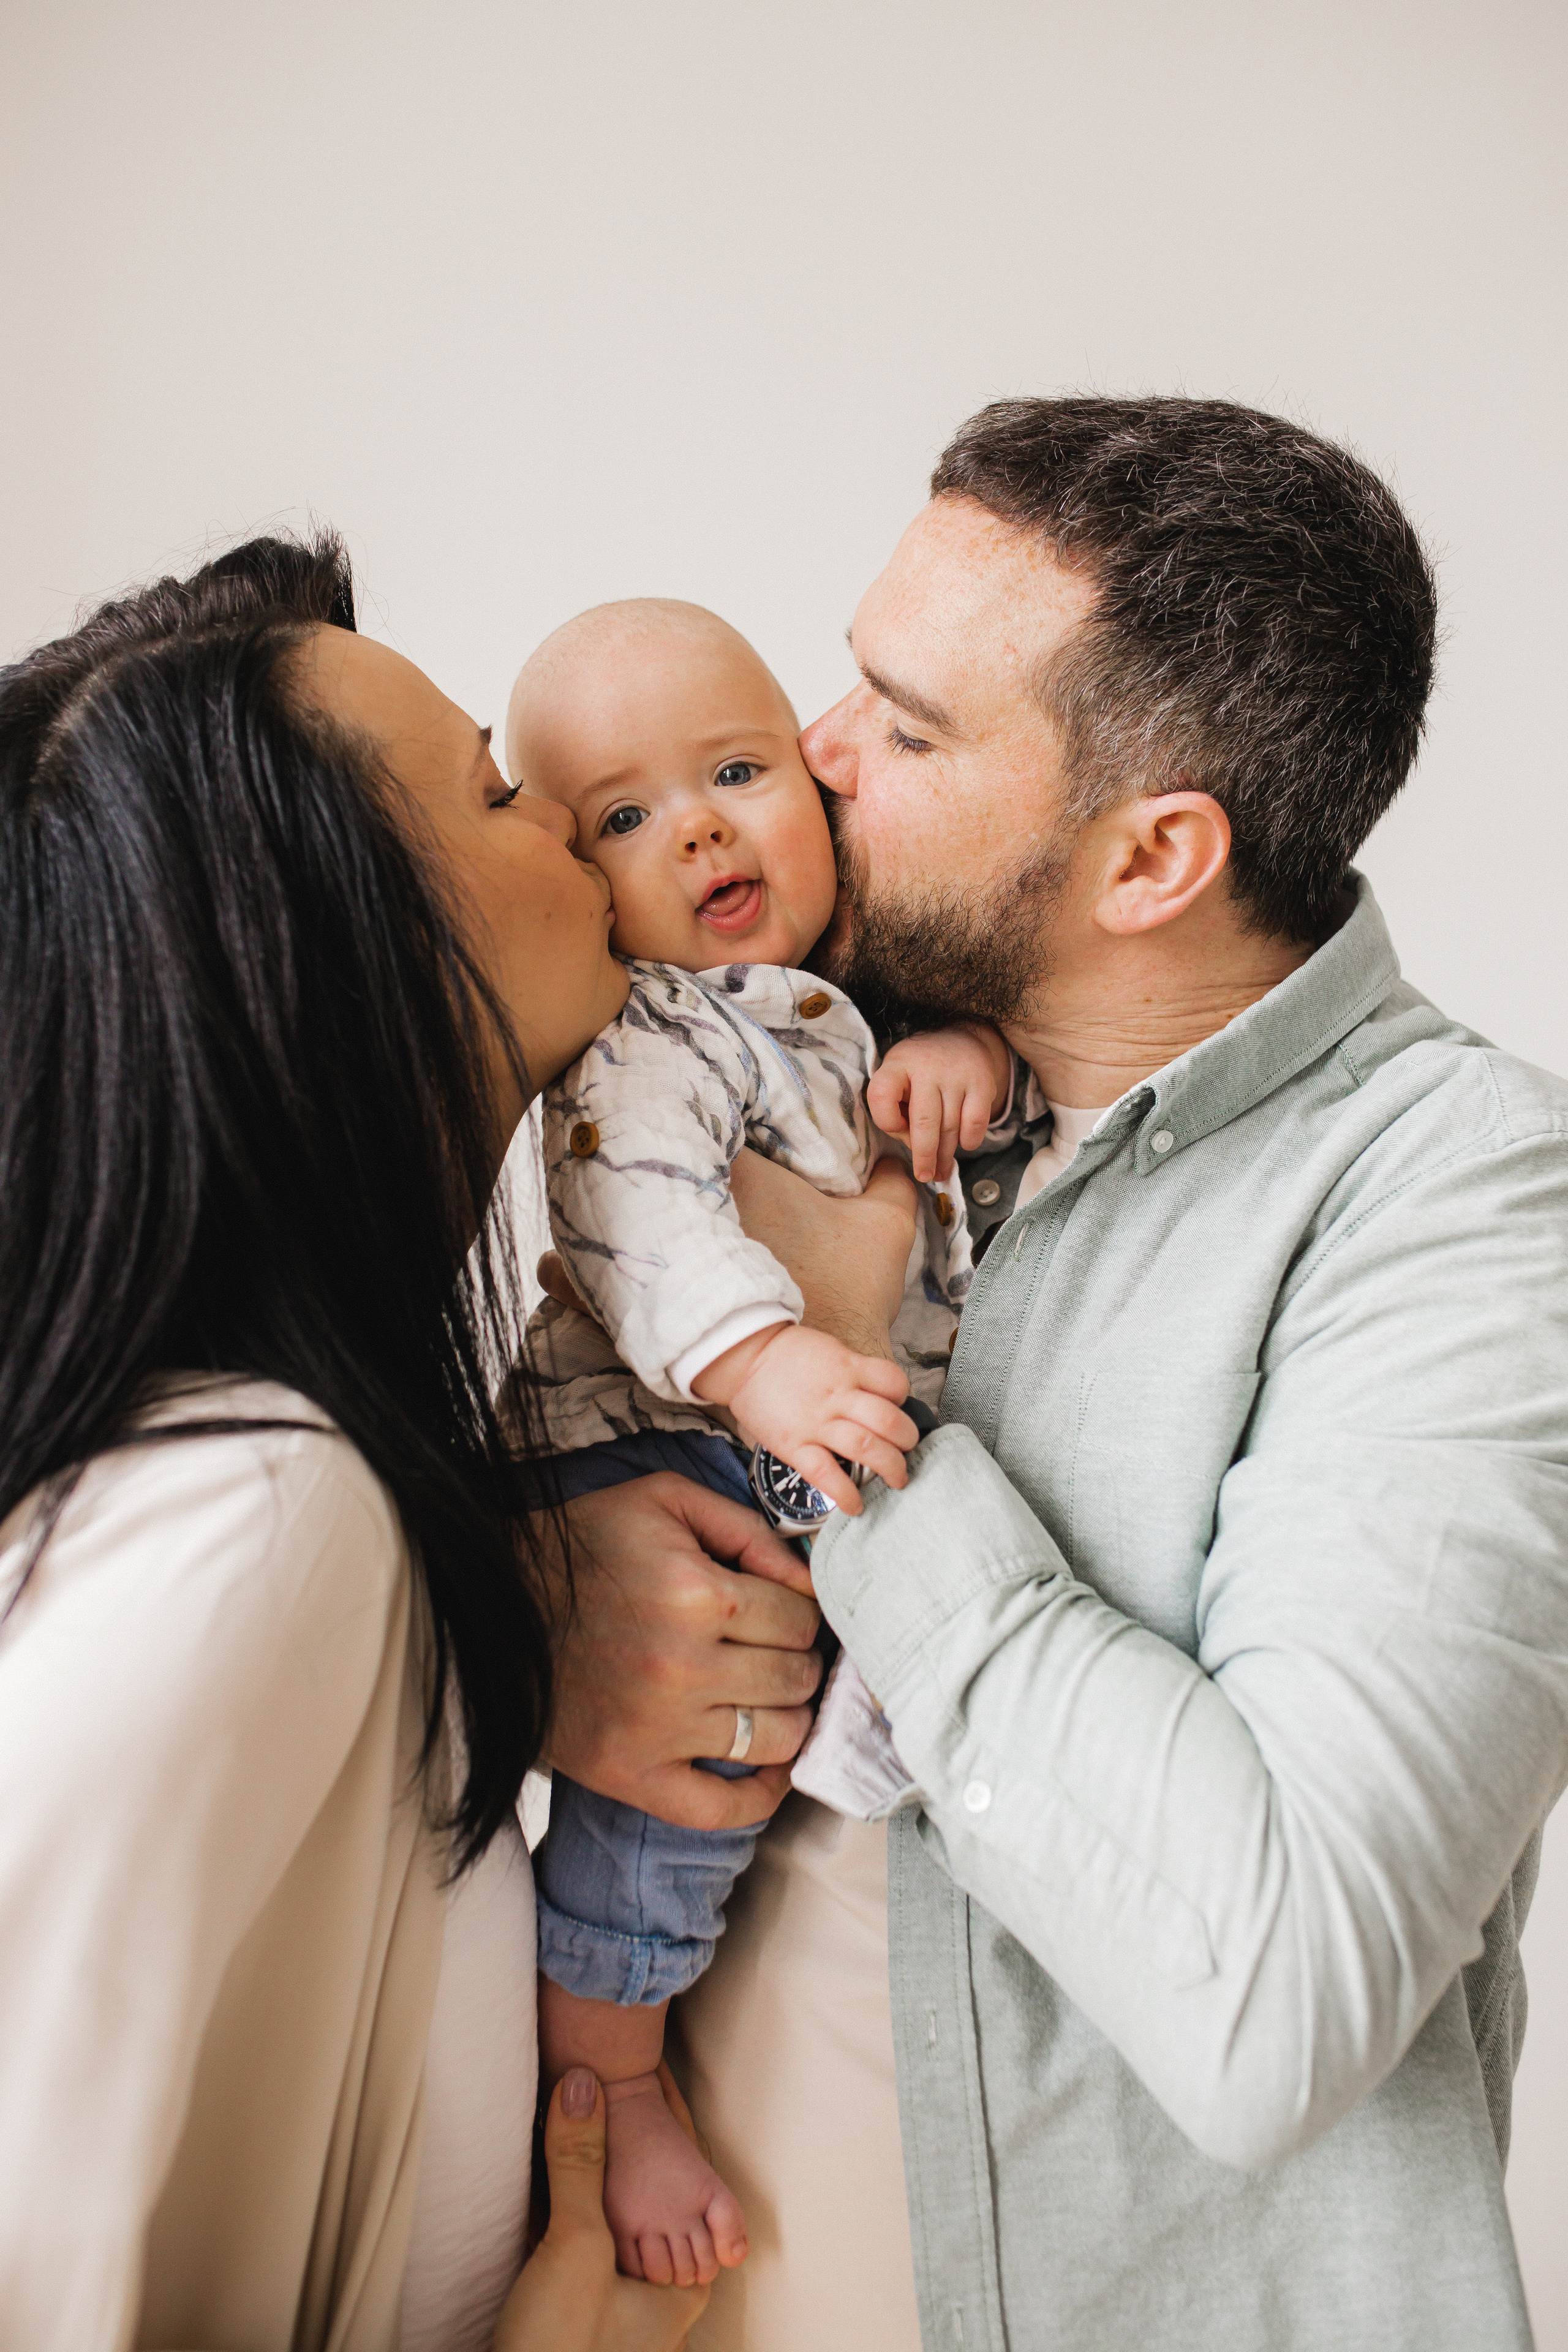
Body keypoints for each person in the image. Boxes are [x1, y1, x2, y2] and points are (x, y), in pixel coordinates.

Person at [668, 397, 1568, 2352]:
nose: (815, 758)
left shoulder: (1470, 1201)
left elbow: (1280, 1996)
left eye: (907, 733)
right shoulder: (802, 1071)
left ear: (1155, 856)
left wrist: (848, 1416)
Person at [0, 533, 854, 2352]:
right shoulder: (252, 1512)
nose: (566, 824)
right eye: (499, 792)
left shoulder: (319, 1465)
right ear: (340, 948)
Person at [502, 598, 1006, 2288]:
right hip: (661, 1427)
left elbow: (923, 1101)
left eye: (735, 769)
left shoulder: (842, 995)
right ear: (587, 886)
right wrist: (768, 1356)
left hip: (793, 1434)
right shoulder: (642, 1041)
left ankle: (861, 1714)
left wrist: (956, 1053)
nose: (702, 826)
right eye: (626, 817)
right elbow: (636, 1216)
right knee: (679, 1796)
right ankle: (615, 2080)